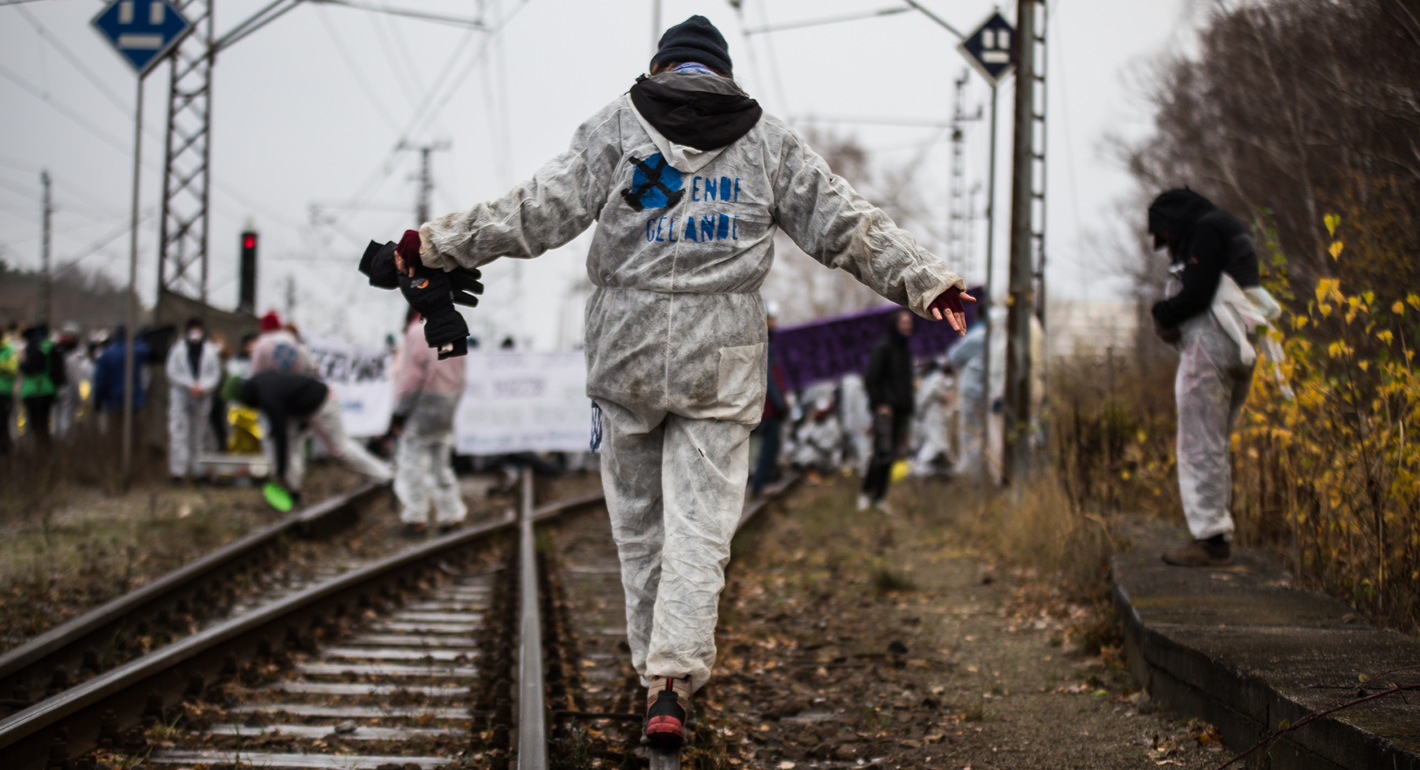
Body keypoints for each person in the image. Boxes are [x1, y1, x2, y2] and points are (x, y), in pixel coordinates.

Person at [374, 15, 972, 749]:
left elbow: (534, 211)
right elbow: (845, 223)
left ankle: (649, 671)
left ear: (661, 67)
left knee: (639, 528)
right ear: (723, 73)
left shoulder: (617, 127)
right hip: (718, 357)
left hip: (624, 351)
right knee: (700, 529)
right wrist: (926, 280)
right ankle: (670, 683)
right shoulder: (767, 142)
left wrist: (431, 244)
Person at [1148, 188, 1280, 567]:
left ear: (1172, 223)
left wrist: (1162, 311)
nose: (1168, 244)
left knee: (1199, 444)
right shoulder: (1229, 227)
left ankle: (1210, 540)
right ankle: (1215, 532)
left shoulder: (1205, 230)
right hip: (1241, 348)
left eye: (1166, 236)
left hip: (1210, 347)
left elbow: (1198, 292)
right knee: (1215, 442)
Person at [227, 368, 392, 499]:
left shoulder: (267, 397)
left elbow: (280, 437)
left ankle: (384, 476)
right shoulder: (259, 381)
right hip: (301, 408)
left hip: (322, 402)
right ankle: (292, 489)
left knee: (339, 449)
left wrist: (280, 471)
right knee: (293, 444)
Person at [391, 308, 468, 536]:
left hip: (424, 402)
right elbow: (462, 372)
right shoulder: (454, 328)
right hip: (449, 400)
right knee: (440, 462)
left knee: (411, 460)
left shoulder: (417, 332)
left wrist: (399, 412)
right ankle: (451, 514)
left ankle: (415, 517)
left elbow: (411, 377)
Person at [859, 310, 917, 513]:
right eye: (903, 321)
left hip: (901, 411)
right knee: (881, 453)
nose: (907, 325)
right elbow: (872, 378)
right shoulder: (883, 347)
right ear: (895, 324)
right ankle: (866, 493)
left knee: (891, 455)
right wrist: (880, 403)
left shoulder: (905, 350)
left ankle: (880, 497)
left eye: (909, 322)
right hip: (886, 411)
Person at [165, 317, 223, 480]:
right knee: (179, 433)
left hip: (202, 397)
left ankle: (196, 471)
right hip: (181, 396)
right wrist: (190, 385)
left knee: (199, 435)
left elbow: (215, 375)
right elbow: (171, 372)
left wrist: (202, 387)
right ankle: (178, 471)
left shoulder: (210, 351)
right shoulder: (178, 350)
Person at [749, 303, 788, 496]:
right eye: (771, 319)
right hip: (768, 405)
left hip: (768, 404)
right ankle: (758, 485)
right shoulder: (763, 343)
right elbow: (768, 377)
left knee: (769, 445)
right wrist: (780, 404)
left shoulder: (768, 342)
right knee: (769, 445)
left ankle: (761, 481)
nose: (774, 323)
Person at [948, 309, 989, 480]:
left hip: (972, 391)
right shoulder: (998, 336)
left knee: (970, 432)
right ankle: (987, 472)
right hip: (990, 392)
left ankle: (975, 476)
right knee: (987, 432)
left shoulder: (977, 336)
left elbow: (953, 356)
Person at [18, 324, 67, 449]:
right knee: (45, 423)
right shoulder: (51, 346)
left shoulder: (35, 346)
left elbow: (31, 367)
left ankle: (37, 452)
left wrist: (22, 365)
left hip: (35, 389)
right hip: (49, 389)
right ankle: (45, 451)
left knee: (35, 425)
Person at [92, 325, 150, 421]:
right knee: (134, 432)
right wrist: (137, 338)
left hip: (114, 401)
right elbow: (146, 350)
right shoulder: (136, 351)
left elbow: (100, 379)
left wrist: (98, 399)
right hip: (134, 400)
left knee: (116, 431)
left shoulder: (107, 354)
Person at [911, 360, 953, 477]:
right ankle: (922, 468)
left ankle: (923, 467)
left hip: (934, 414)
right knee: (934, 442)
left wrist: (920, 407)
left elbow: (932, 393)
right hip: (928, 416)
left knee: (937, 442)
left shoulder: (937, 377)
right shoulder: (927, 379)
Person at [249, 310, 313, 376]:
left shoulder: (261, 344)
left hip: (269, 383)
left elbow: (256, 371)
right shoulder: (292, 341)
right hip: (293, 383)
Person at [0, 324, 18, 454]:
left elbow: (13, 369)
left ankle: (5, 454)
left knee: (3, 425)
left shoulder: (9, 350)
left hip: (4, 393)